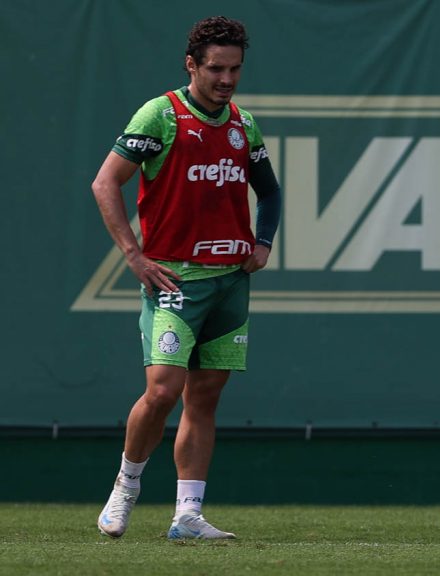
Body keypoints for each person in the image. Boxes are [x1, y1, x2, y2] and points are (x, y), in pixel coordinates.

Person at [92, 16, 281, 540]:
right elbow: (106, 183)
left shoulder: (243, 124)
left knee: (205, 398)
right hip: (174, 280)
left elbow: (270, 191)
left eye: (235, 69)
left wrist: (262, 243)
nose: (226, 79)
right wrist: (133, 255)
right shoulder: (162, 115)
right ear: (191, 64)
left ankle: (188, 516)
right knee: (162, 391)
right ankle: (126, 488)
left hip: (229, 282)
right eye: (216, 68)